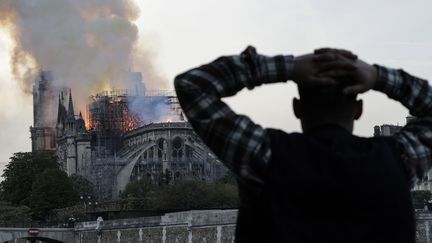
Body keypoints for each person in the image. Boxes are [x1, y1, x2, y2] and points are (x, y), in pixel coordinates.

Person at [174, 46, 432, 243]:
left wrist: (287, 68)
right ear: (358, 109)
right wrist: (377, 76)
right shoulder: (399, 160)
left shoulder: (264, 155)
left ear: (297, 108)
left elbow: (192, 85)